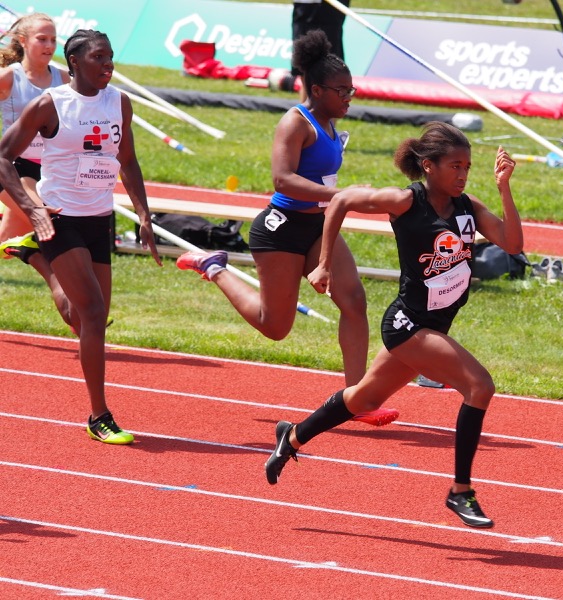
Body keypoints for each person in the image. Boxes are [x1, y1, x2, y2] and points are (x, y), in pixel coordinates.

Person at [265, 123, 523, 529]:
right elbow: (343, 200)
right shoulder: (406, 201)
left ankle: (292, 436)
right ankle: (460, 491)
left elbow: (513, 244)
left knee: (362, 399)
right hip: (408, 325)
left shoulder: (468, 207)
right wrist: (324, 263)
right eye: (455, 166)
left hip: (434, 324)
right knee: (479, 386)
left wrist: (504, 187)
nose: (462, 174)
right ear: (428, 166)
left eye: (468, 167)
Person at [175, 30, 397, 428]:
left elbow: (324, 187)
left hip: (317, 226)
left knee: (354, 301)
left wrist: (341, 199)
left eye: (352, 89)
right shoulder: (296, 123)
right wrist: (342, 194)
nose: (350, 97)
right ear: (317, 89)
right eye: (342, 91)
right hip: (280, 231)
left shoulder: (330, 124)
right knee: (275, 327)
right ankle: (214, 267)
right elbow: (282, 180)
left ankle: (356, 398)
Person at [0, 29, 162, 444]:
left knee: (87, 318)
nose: (108, 66)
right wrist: (32, 207)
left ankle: (37, 260)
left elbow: (127, 159)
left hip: (98, 217)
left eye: (111, 58)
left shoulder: (118, 102)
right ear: (75, 62)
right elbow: (4, 157)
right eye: (99, 58)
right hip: (59, 217)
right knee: (91, 314)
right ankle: (99, 415)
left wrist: (144, 214)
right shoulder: (51, 104)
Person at [0, 13, 71, 326]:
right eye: (42, 39)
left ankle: (20, 247)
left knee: (10, 236)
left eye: (54, 39)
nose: (49, 45)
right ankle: (79, 310)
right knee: (48, 222)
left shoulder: (64, 78)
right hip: (11, 167)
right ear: (23, 41)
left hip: (48, 168)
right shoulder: (9, 78)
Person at [291, 0, 350, 100]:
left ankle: (329, 112)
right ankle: (305, 113)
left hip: (331, 8)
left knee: (331, 68)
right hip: (305, 7)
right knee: (305, 67)